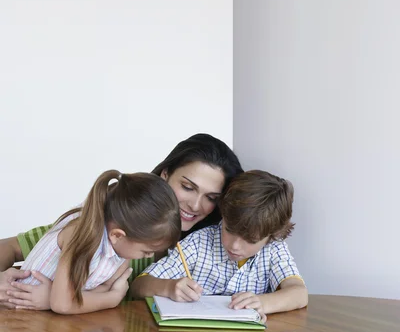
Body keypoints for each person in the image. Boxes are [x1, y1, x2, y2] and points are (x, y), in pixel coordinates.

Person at [0, 134, 243, 309]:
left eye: (211, 198)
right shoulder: (114, 220)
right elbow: (10, 247)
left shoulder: (208, 247)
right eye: (187, 187)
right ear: (165, 175)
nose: (196, 205)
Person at [132, 170, 308, 317]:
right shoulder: (198, 243)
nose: (235, 246)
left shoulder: (274, 249)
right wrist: (168, 287)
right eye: (229, 230)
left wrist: (263, 302)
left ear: (271, 236)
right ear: (223, 215)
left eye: (251, 240)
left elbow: (299, 294)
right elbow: (138, 286)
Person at [9, 170, 181, 314]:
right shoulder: (82, 235)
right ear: (117, 235)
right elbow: (62, 304)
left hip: (50, 318)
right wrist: (112, 299)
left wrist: (70, 299)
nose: (150, 256)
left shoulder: (121, 248)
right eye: (146, 251)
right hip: (20, 312)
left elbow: (105, 286)